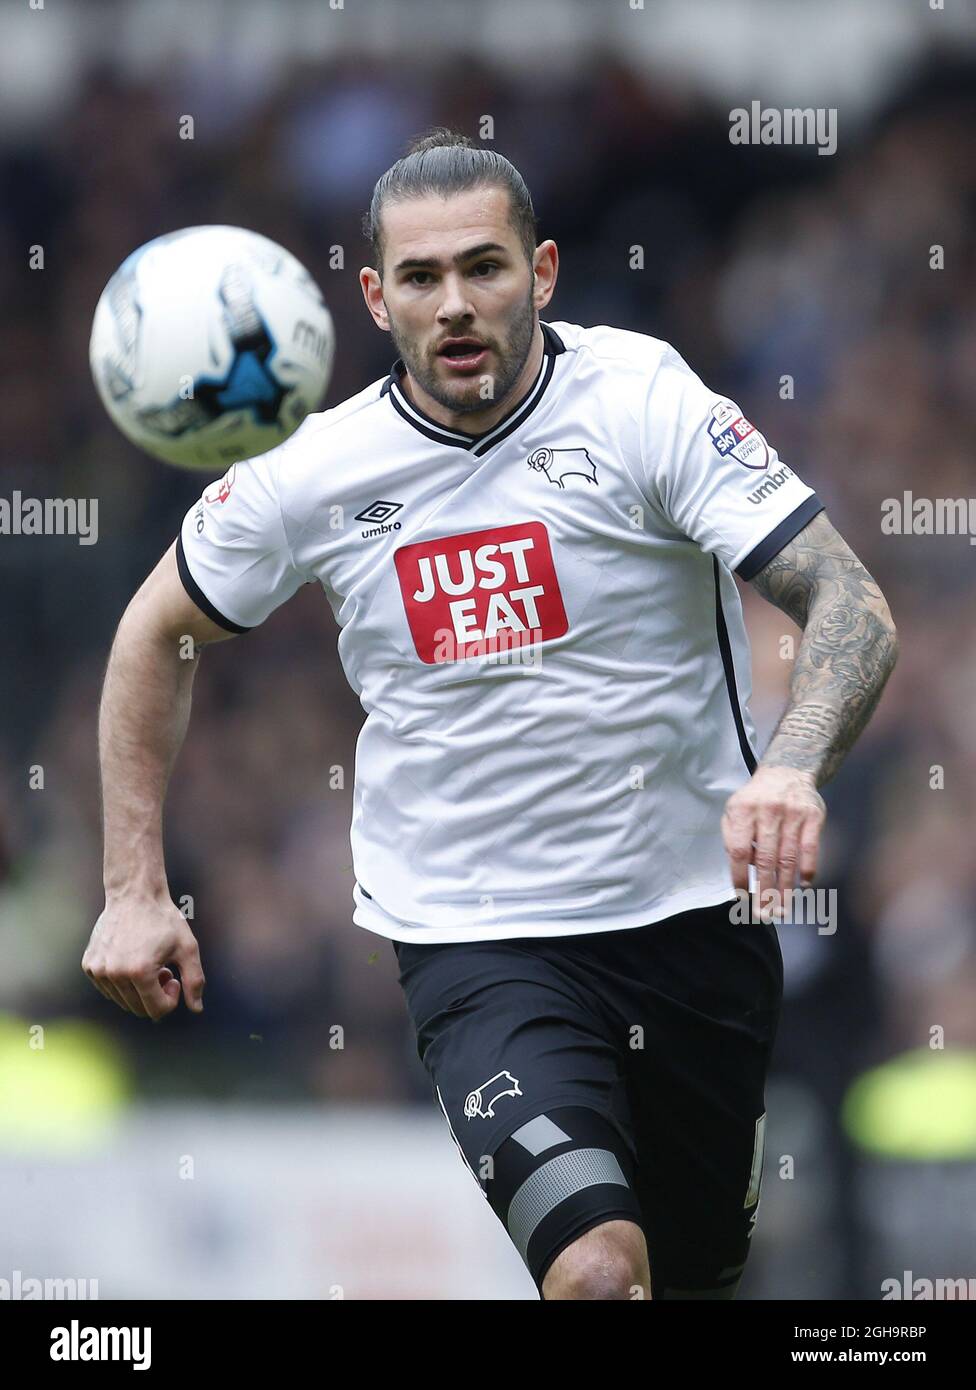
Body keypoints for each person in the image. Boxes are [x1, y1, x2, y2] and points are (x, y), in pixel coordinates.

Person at [83, 129, 898, 1300]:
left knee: (692, 1280)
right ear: (372, 296)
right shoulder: (315, 470)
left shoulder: (642, 400)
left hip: (693, 926)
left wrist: (792, 765)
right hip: (479, 940)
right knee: (598, 1274)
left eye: (485, 267)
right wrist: (132, 884)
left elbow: (845, 596)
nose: (455, 304)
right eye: (419, 278)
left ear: (544, 270)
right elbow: (152, 630)